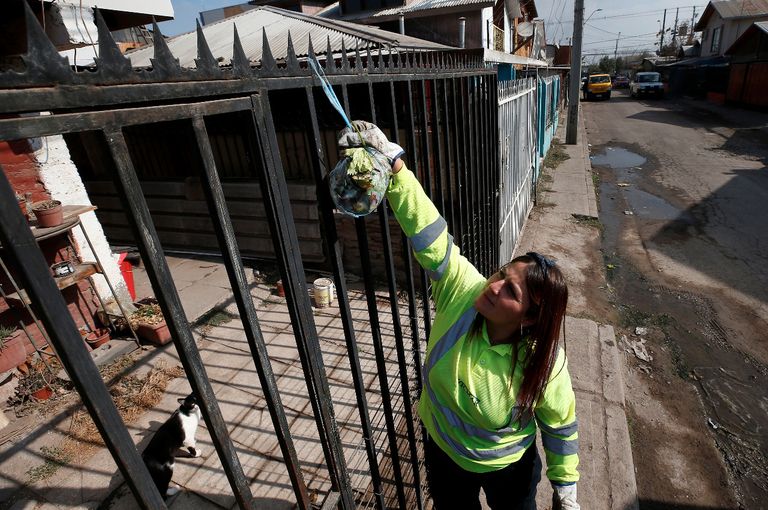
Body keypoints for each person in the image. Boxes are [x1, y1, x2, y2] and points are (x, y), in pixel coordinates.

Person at [338, 121, 580, 510]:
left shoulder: (545, 362)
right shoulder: (465, 292)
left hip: (508, 470)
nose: (493, 286)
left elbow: (560, 425)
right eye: (501, 274)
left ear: (531, 319)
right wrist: (396, 167)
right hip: (444, 458)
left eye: (511, 291)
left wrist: (565, 487)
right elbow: (430, 234)